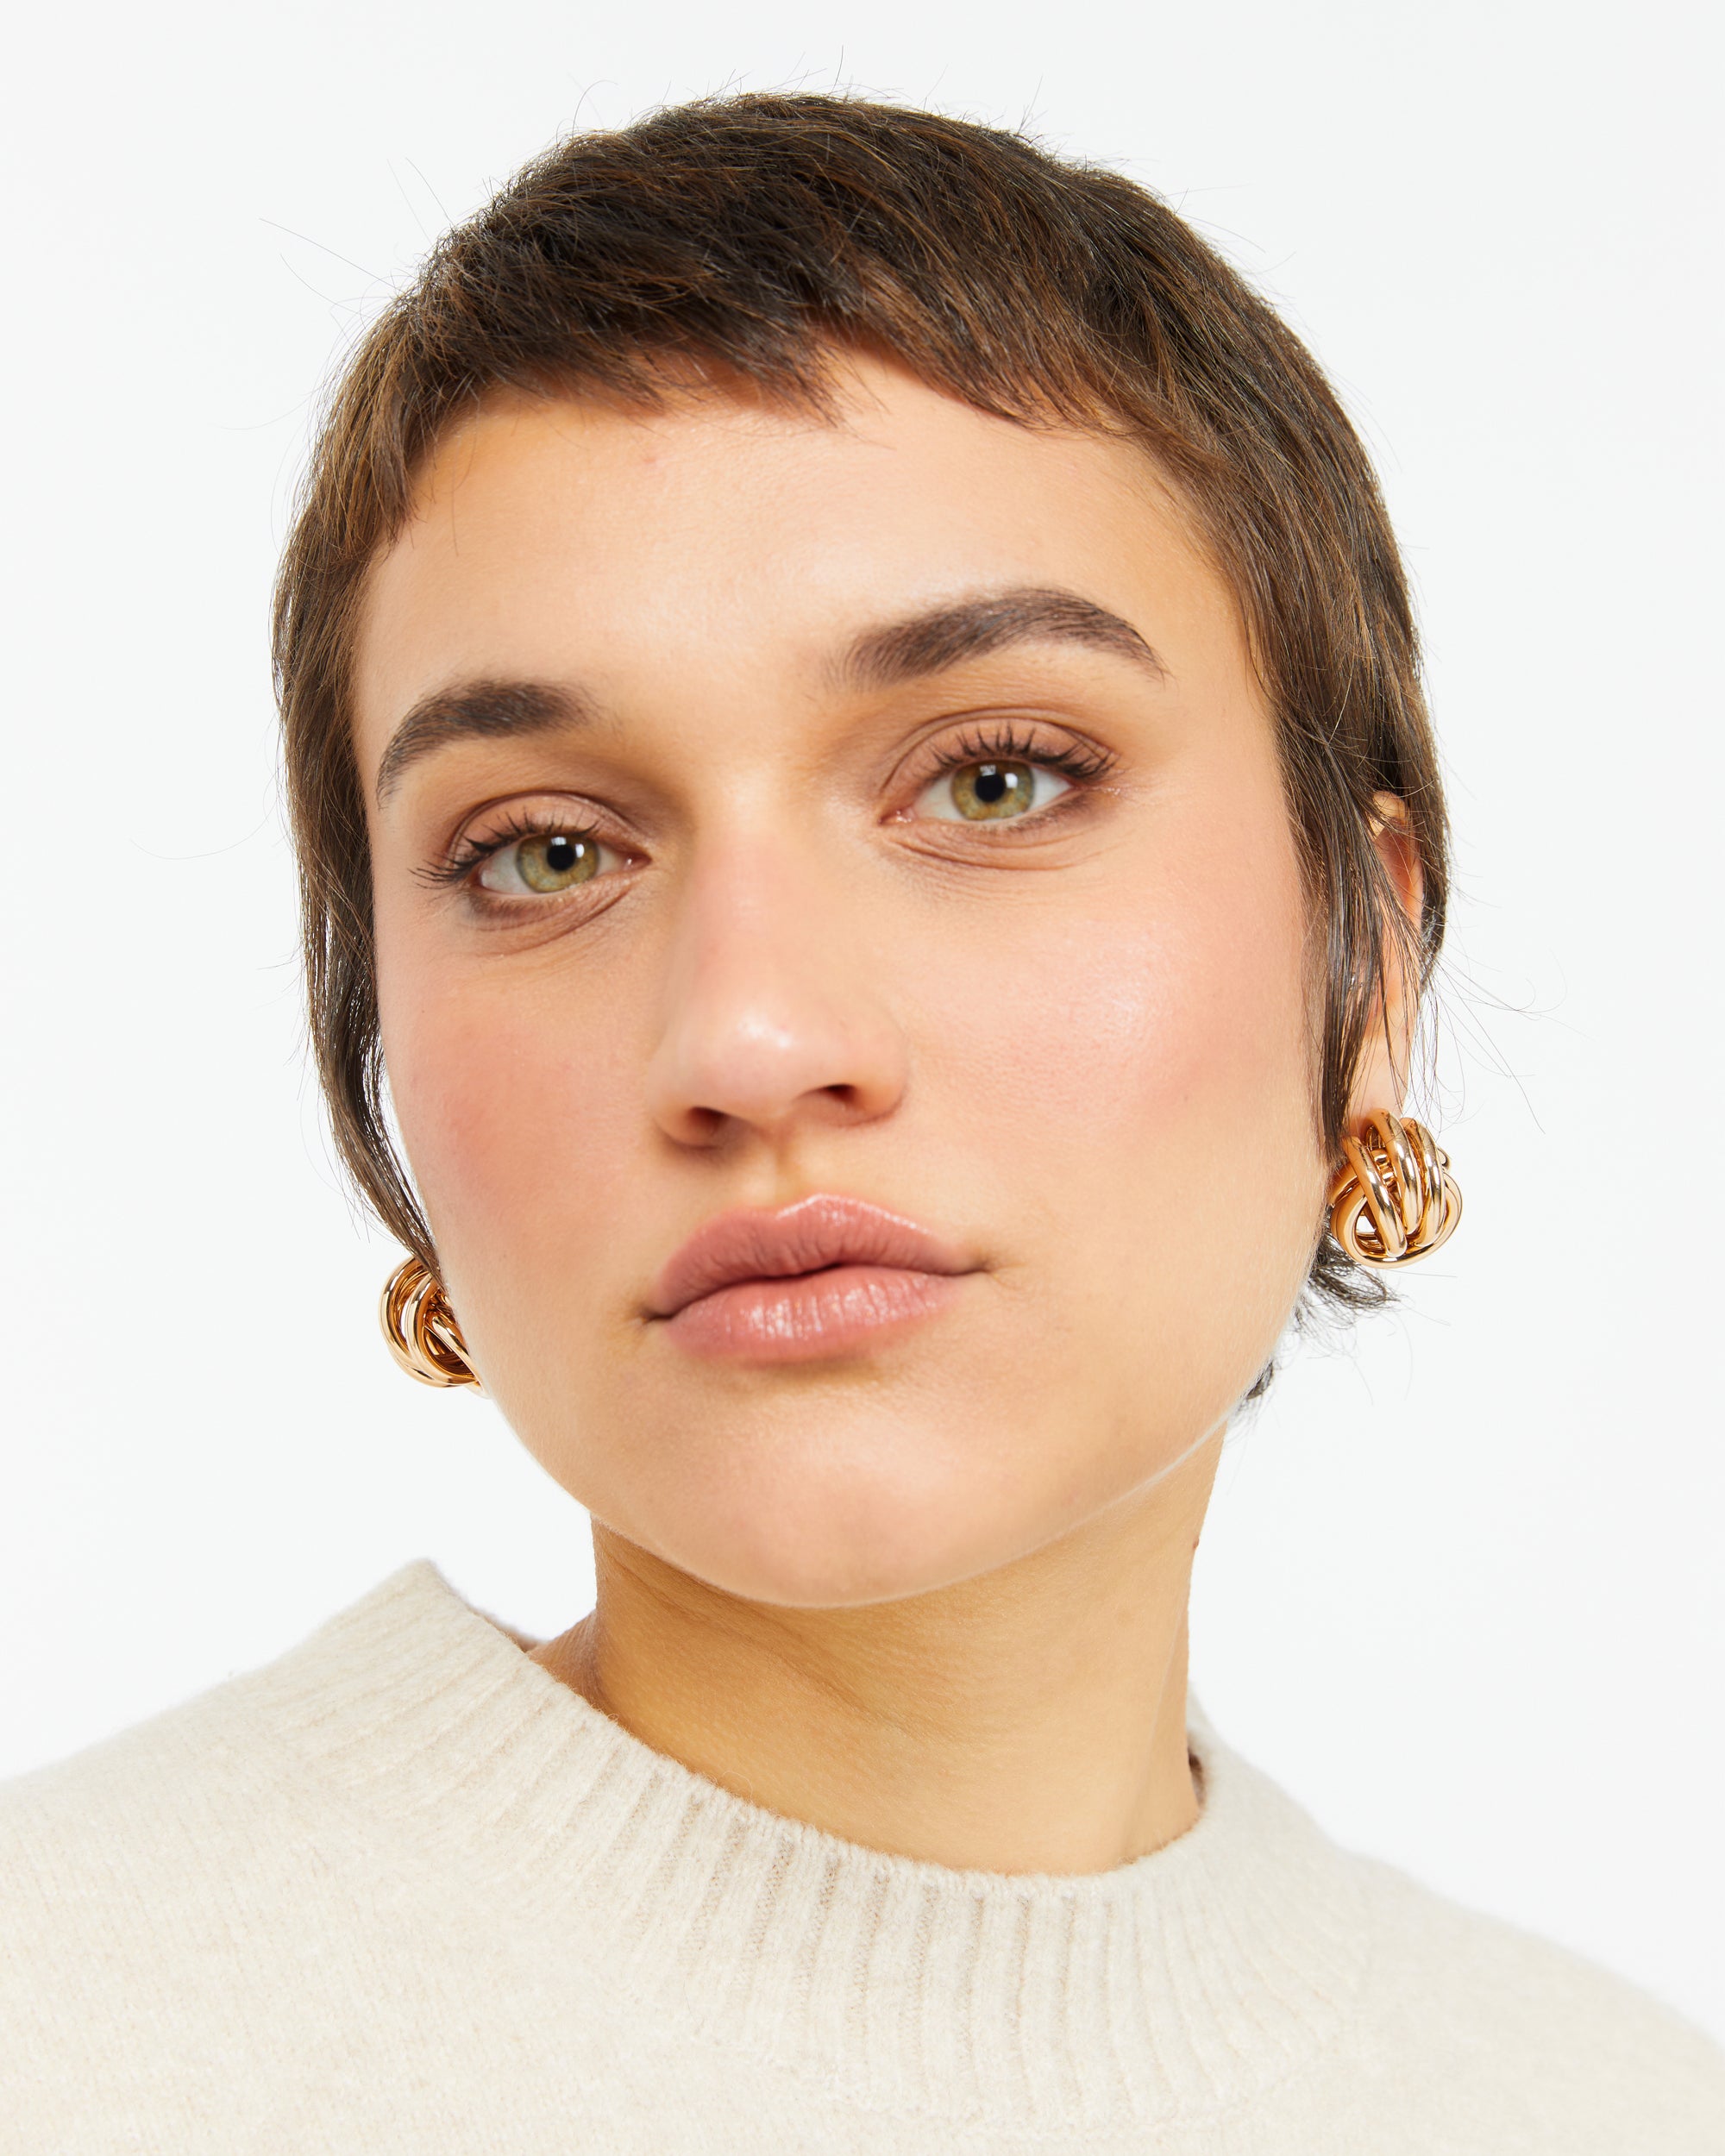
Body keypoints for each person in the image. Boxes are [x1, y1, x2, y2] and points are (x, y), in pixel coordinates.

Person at [2, 91, 1719, 2153]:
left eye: (996, 779)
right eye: (547, 850)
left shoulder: (1613, 2105)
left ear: (1370, 963)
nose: (749, 1033)